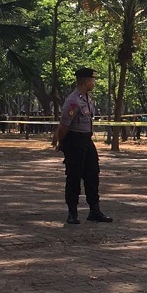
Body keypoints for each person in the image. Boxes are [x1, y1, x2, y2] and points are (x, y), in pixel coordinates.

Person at [57, 67, 113, 224]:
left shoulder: (87, 99)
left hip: (87, 140)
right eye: (93, 80)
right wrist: (61, 142)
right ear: (87, 81)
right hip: (74, 141)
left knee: (92, 175)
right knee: (74, 176)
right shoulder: (73, 100)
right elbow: (64, 125)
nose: (94, 83)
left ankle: (94, 210)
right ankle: (72, 213)